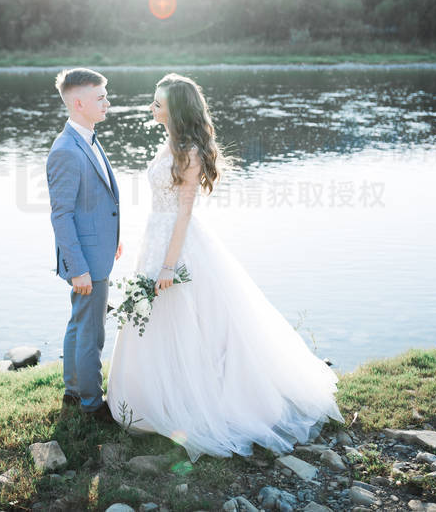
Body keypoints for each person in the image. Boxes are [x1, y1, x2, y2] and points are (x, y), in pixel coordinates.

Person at [106, 73, 342, 460]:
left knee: (192, 321)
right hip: (154, 237)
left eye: (157, 102)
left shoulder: (190, 152)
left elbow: (183, 212)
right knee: (153, 320)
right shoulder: (168, 143)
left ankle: (196, 402)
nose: (152, 107)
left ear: (175, 108)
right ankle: (149, 397)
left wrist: (168, 267)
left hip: (177, 246)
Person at [46, 68, 123, 423]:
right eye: (100, 97)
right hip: (85, 261)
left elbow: (96, 200)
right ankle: (93, 405)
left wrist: (115, 238)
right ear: (79, 103)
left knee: (80, 323)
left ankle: (73, 389)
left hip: (97, 251)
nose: (107, 103)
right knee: (91, 331)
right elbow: (61, 216)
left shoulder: (86, 137)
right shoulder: (66, 151)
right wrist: (78, 268)